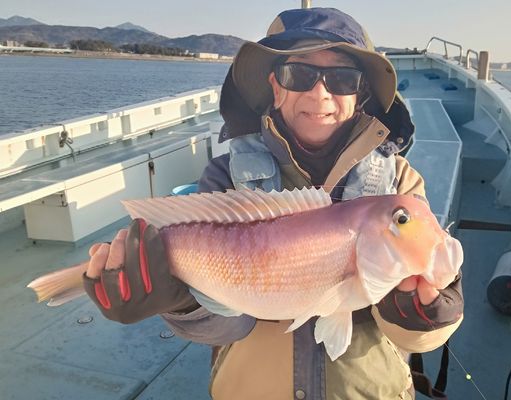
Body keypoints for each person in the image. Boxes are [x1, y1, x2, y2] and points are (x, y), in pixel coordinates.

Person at [83, 7, 463, 400]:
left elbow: (415, 340)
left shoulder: (399, 182)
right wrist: (181, 303)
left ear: (361, 92)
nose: (320, 94)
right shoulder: (225, 177)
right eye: (298, 74)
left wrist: (431, 315)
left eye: (342, 78)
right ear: (275, 86)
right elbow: (227, 327)